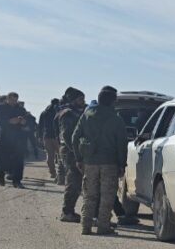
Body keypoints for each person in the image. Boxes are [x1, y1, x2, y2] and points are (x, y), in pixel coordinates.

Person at [72, 86, 127, 236]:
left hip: (89, 162)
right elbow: (121, 144)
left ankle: (86, 225)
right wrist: (122, 164)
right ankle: (103, 226)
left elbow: (75, 137)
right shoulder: (116, 119)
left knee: (90, 194)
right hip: (110, 163)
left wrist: (78, 158)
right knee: (107, 195)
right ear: (113, 101)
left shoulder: (87, 115)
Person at [57, 87, 86, 222]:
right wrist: (76, 152)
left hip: (75, 150)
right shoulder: (68, 114)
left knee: (76, 181)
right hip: (70, 151)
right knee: (73, 181)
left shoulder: (76, 112)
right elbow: (67, 135)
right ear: (73, 100)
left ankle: (69, 211)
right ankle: (67, 212)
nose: (83, 101)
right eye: (80, 99)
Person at [0, 92, 29, 187]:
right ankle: (1, 176)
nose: (14, 102)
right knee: (3, 160)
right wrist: (9, 121)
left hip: (19, 138)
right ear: (7, 99)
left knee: (19, 161)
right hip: (5, 138)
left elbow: (28, 122)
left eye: (15, 100)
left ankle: (17, 181)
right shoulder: (1, 108)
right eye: (12, 100)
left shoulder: (21, 109)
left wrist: (23, 122)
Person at [38, 98, 60, 178]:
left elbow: (40, 126)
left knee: (50, 156)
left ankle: (52, 172)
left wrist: (40, 136)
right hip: (57, 137)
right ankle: (61, 173)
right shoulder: (58, 111)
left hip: (46, 136)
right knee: (60, 156)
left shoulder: (44, 112)